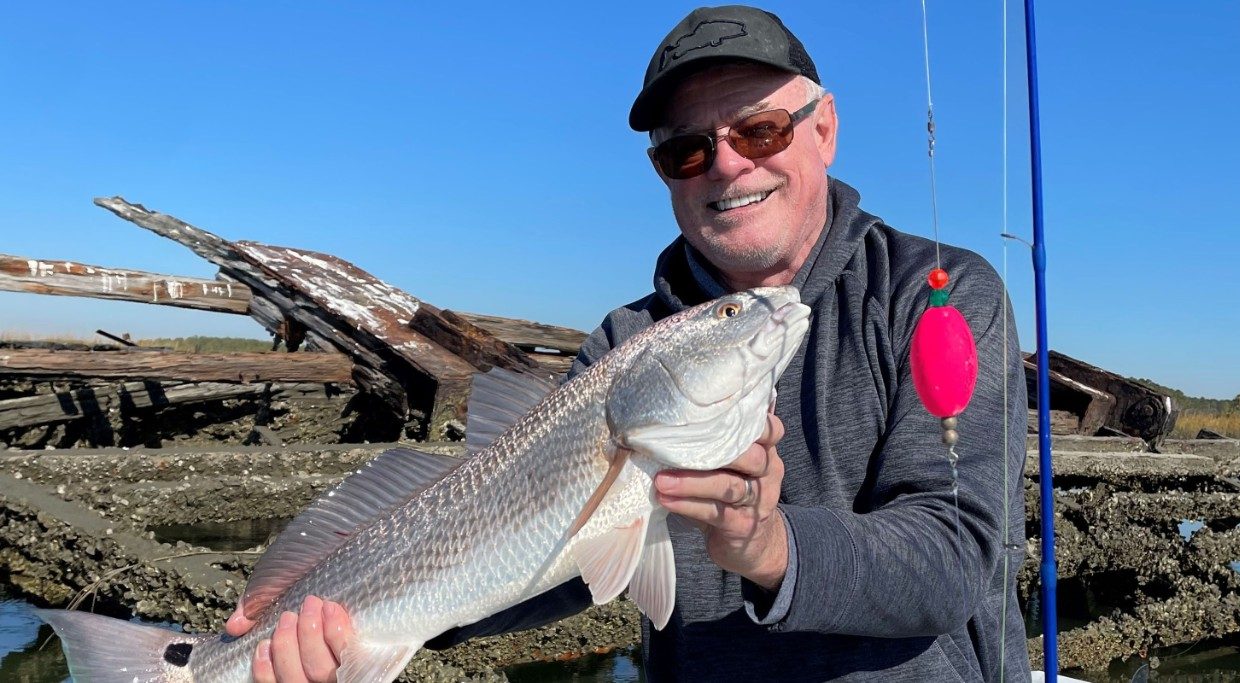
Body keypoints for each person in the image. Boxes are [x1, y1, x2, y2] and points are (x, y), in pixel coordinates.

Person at [230, 6, 1030, 681]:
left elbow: (953, 555)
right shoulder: (625, 340)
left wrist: (770, 543)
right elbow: (566, 568)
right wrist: (369, 623)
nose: (724, 164)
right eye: (687, 149)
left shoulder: (942, 292)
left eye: (758, 129)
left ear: (824, 128)